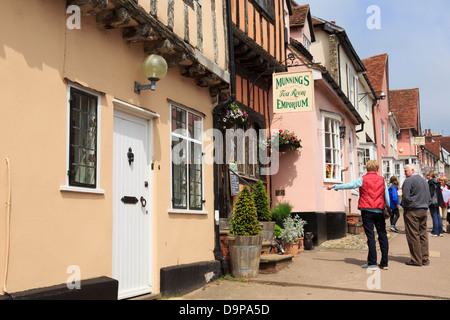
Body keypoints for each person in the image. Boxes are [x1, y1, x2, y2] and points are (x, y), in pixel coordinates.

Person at [328, 160, 390, 271]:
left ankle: (372, 263)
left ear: (367, 168)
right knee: (382, 235)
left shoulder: (363, 179)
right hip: (379, 211)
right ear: (377, 169)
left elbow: (350, 185)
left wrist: (336, 186)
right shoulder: (382, 180)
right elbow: (387, 197)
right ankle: (384, 263)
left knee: (370, 236)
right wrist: (388, 208)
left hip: (367, 211)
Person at [402, 164, 430, 266]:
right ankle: (425, 259)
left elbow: (405, 197)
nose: (404, 173)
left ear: (412, 170)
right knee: (423, 234)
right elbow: (429, 197)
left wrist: (407, 205)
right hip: (423, 210)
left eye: (406, 171)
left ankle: (416, 260)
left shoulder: (408, 181)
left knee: (413, 235)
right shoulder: (424, 181)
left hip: (412, 210)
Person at [427, 171, 445, 237]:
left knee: (434, 216)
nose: (426, 176)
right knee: (438, 216)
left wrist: (427, 200)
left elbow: (430, 193)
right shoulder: (437, 182)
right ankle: (440, 231)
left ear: (430, 176)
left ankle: (435, 231)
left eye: (427, 175)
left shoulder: (430, 182)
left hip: (432, 201)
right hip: (437, 201)